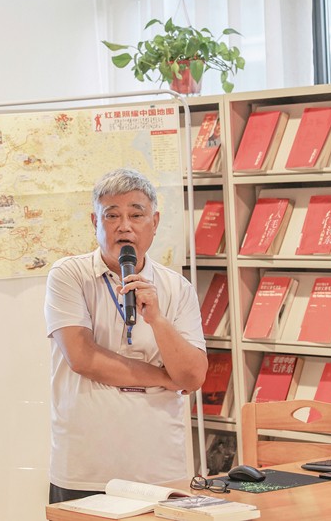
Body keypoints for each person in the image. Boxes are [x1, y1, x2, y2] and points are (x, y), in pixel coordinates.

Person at [44, 168, 208, 503]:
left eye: (136, 214)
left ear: (155, 222)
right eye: (112, 215)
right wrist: (164, 378)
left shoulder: (177, 288)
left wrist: (157, 319)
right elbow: (83, 358)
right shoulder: (69, 275)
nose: (124, 226)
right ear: (95, 222)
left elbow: (192, 377)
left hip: (159, 466)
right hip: (86, 467)